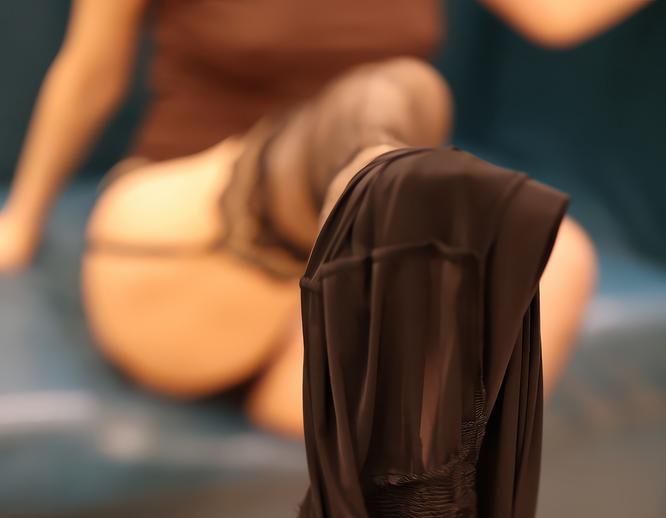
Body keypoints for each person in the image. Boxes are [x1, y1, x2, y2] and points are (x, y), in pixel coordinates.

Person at [0, 0, 649, 435]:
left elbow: (559, 12)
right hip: (193, 242)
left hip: (332, 289)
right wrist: (22, 218)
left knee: (554, 255)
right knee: (385, 104)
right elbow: (90, 71)